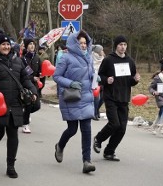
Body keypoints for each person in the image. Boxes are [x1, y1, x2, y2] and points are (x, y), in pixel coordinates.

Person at [0, 33, 38, 178]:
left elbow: (25, 79)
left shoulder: (18, 61)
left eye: (8, 44)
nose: (6, 47)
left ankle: (11, 166)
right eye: (3, 44)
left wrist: (33, 91)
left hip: (15, 103)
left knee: (13, 135)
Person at [53, 31, 97, 173]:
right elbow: (56, 76)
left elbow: (90, 75)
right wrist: (71, 83)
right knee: (72, 129)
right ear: (74, 43)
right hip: (72, 97)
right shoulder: (66, 58)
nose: (83, 45)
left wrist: (96, 79)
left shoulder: (89, 58)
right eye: (80, 43)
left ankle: (87, 161)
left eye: (85, 43)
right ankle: (60, 146)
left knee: (86, 130)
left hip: (86, 97)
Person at [93, 35, 141, 162]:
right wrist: (106, 80)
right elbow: (100, 76)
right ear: (116, 46)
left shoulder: (130, 61)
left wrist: (135, 80)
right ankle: (98, 138)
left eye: (125, 45)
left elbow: (130, 80)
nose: (123, 47)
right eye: (120, 44)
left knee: (122, 128)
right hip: (111, 97)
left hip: (124, 98)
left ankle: (109, 151)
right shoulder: (109, 60)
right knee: (114, 124)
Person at [20, 38, 41, 133]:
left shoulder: (37, 58)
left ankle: (25, 114)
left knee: (36, 105)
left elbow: (40, 72)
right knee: (28, 103)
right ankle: (25, 124)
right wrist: (32, 78)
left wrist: (41, 77)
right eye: (30, 44)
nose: (32, 46)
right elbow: (22, 73)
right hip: (25, 84)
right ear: (26, 46)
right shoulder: (22, 59)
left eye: (33, 44)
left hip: (35, 85)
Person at [92, 44, 105, 120]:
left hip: (102, 81)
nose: (102, 52)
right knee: (97, 98)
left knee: (102, 98)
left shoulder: (103, 59)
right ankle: (94, 113)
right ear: (98, 51)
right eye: (101, 50)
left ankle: (97, 110)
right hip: (94, 81)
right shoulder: (92, 58)